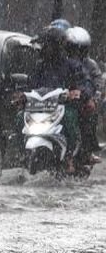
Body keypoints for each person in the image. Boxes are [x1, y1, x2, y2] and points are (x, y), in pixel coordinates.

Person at [25, 24, 91, 171]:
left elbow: (85, 84)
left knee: (69, 118)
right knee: (18, 118)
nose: (43, 49)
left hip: (64, 108)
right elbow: (29, 85)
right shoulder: (39, 67)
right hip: (39, 109)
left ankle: (69, 156)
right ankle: (20, 155)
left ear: (56, 46)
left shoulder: (73, 66)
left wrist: (78, 92)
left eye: (46, 46)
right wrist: (21, 96)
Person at [65, 26, 102, 164]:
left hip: (83, 102)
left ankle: (87, 151)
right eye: (74, 48)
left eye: (80, 49)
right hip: (62, 101)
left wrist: (92, 99)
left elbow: (97, 84)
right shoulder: (62, 63)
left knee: (89, 117)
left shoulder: (91, 65)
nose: (77, 53)